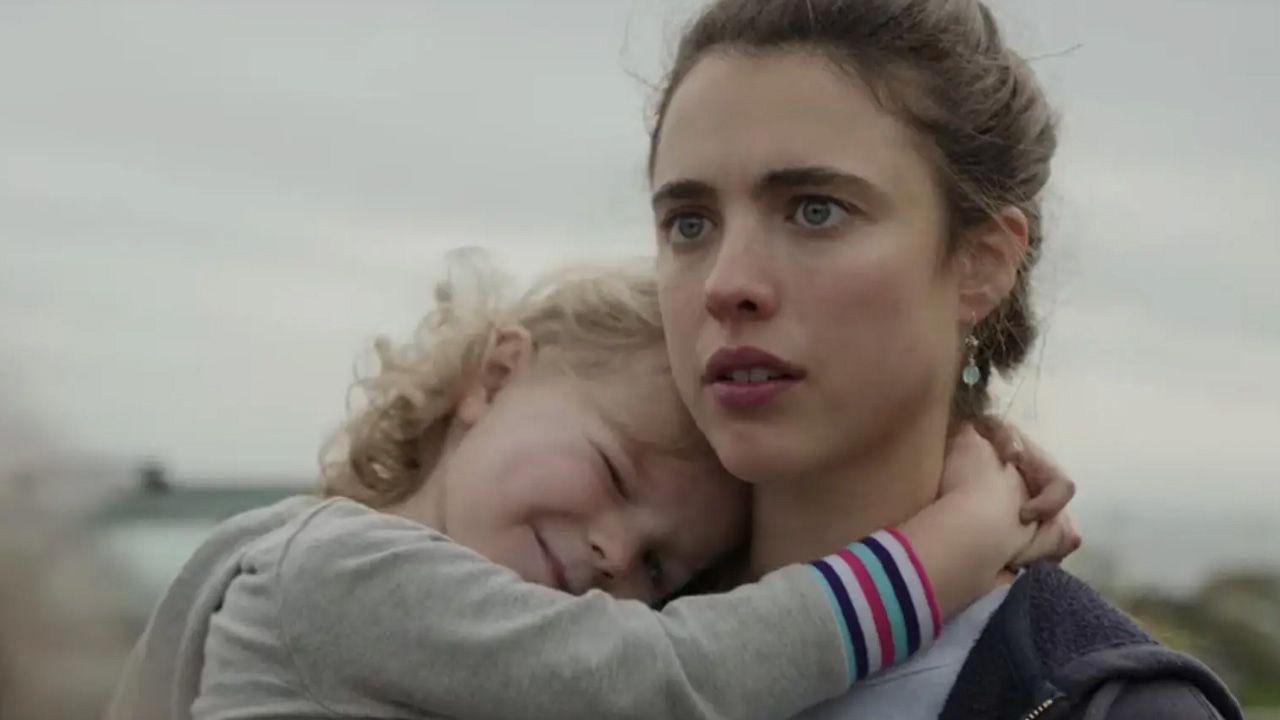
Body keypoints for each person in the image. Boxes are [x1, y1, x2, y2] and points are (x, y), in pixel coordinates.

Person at [108, 258, 1075, 720]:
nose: (616, 552)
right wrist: (962, 533)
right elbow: (679, 672)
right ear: (494, 378)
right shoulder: (339, 575)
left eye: (658, 570)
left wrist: (948, 437)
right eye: (613, 471)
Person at [646, 1, 1243, 718]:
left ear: (981, 265)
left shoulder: (1120, 709)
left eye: (815, 210)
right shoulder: (568, 623)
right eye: (689, 223)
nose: (726, 284)